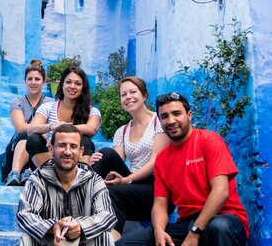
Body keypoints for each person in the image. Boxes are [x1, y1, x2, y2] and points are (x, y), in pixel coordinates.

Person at [117, 92, 249, 246]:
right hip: (187, 222)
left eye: (176, 113)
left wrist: (194, 233)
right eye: (164, 116)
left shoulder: (209, 140)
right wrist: (159, 231)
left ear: (189, 115)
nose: (171, 120)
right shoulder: (162, 159)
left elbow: (221, 192)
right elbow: (160, 204)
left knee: (218, 227)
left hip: (224, 218)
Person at [91, 76, 173, 236]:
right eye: (123, 94)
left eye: (132, 92)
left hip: (157, 188)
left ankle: (114, 239)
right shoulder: (121, 131)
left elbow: (155, 162)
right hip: (133, 185)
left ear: (144, 95)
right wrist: (96, 160)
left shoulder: (159, 122)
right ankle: (82, 194)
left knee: (111, 192)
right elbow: (116, 165)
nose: (128, 97)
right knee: (105, 154)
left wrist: (127, 180)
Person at [17, 124, 117, 246]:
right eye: (62, 145)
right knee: (27, 239)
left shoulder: (93, 179)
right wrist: (53, 227)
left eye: (73, 146)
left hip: (82, 241)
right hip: (50, 241)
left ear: (81, 152)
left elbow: (107, 215)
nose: (68, 152)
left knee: (104, 237)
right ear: (50, 148)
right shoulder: (38, 179)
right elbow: (24, 215)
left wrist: (80, 226)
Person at [26, 66, 101, 167]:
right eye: (68, 82)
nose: (72, 86)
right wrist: (53, 126)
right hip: (50, 158)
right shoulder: (48, 107)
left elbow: (91, 129)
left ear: (83, 88)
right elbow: (31, 129)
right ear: (62, 85)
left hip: (75, 161)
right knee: (34, 139)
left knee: (85, 140)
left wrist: (62, 128)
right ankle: (50, 174)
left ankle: (80, 177)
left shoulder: (92, 111)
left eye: (78, 83)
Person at [3, 59, 54, 186]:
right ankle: (14, 174)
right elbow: (20, 128)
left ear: (44, 82)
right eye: (30, 79)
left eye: (37, 79)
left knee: (34, 136)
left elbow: (51, 130)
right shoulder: (18, 102)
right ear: (25, 81)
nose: (33, 82)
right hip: (17, 149)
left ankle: (29, 172)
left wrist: (34, 128)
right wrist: (41, 127)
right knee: (28, 134)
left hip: (42, 146)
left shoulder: (51, 103)